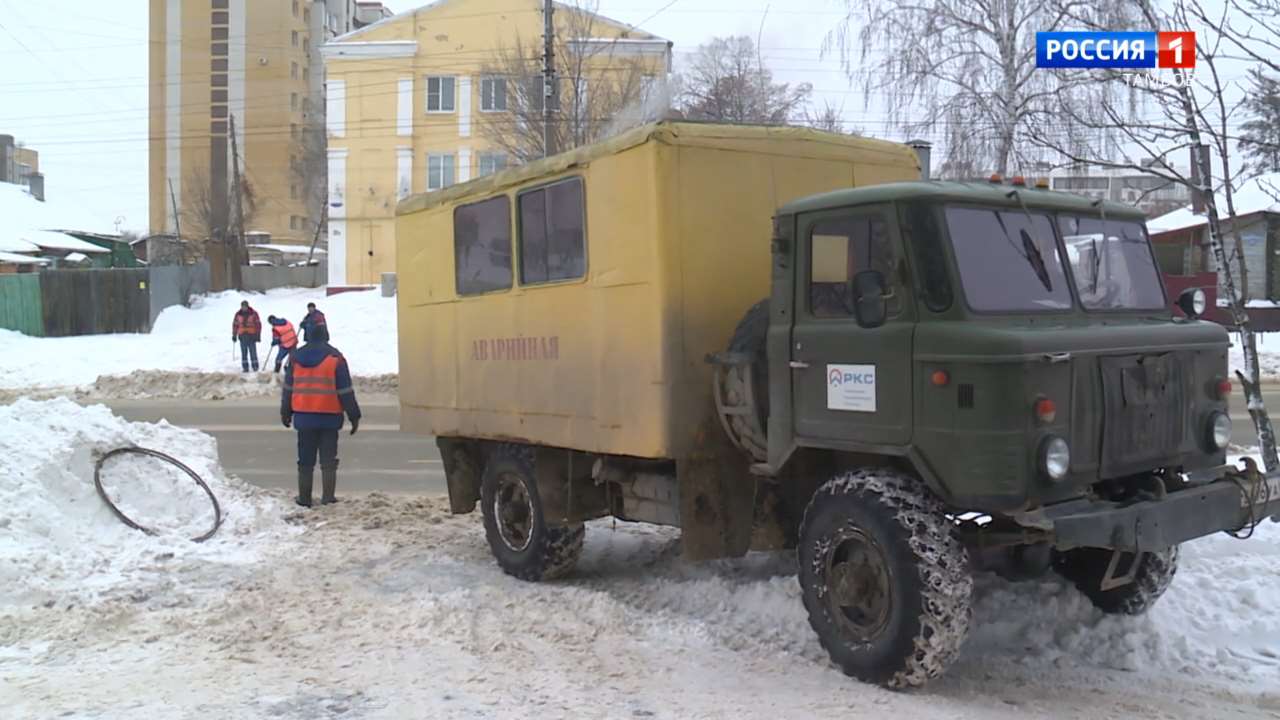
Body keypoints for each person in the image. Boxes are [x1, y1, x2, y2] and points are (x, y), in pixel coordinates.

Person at [281, 325, 361, 507]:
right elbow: (345, 390)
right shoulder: (335, 358)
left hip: (304, 418)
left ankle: (304, 498)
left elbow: (288, 388)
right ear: (327, 336)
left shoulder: (295, 358)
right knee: (328, 460)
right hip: (329, 418)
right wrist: (354, 415)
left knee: (305, 461)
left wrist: (285, 411)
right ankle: (328, 497)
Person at [232, 300, 262, 372]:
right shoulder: (238, 314)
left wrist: (258, 335)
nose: (244, 308)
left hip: (252, 336)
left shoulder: (254, 313)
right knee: (244, 353)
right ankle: (245, 368)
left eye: (245, 306)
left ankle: (255, 366)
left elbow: (258, 325)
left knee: (253, 352)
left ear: (247, 306)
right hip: (242, 336)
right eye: (242, 306)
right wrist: (234, 335)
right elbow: (235, 325)